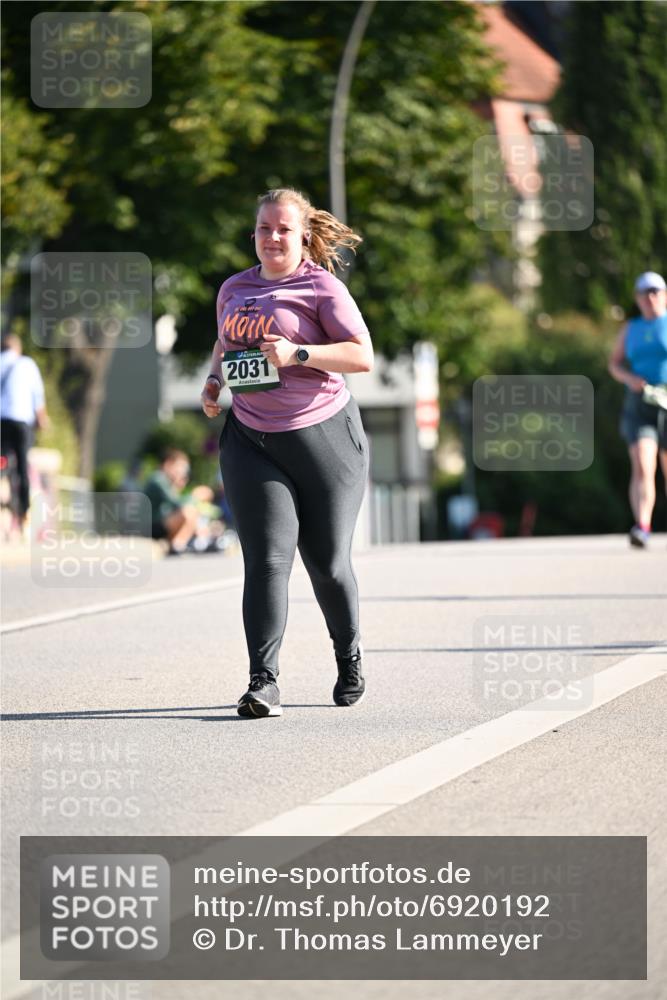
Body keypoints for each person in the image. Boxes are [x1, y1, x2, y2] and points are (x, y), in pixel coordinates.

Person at [201, 187, 373, 718]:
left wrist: (299, 352)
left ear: (302, 236)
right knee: (268, 560)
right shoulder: (234, 288)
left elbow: (361, 355)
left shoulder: (321, 288)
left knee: (325, 563)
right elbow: (226, 345)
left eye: (282, 229)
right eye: (262, 229)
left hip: (324, 438)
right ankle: (263, 681)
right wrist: (213, 381)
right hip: (252, 438)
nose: (271, 237)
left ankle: (348, 657)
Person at [609, 271, 667, 548]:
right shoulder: (630, 329)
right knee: (644, 465)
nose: (650, 297)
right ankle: (642, 525)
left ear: (664, 295)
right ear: (637, 298)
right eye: (645, 293)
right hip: (640, 403)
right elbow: (614, 364)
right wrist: (629, 378)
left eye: (655, 291)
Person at [0, 333, 49, 534]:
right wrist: (43, 420)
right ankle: (23, 514)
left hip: (2, 422)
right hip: (21, 423)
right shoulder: (27, 364)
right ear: (18, 348)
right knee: (22, 466)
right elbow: (37, 397)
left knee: (3, 461)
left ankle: (4, 478)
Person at [142, 448, 199, 554]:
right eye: (180, 467)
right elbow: (176, 503)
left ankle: (177, 543)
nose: (182, 472)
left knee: (192, 512)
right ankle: (177, 544)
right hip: (149, 526)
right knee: (187, 512)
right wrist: (195, 496)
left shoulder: (165, 480)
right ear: (168, 463)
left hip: (158, 523)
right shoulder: (158, 478)